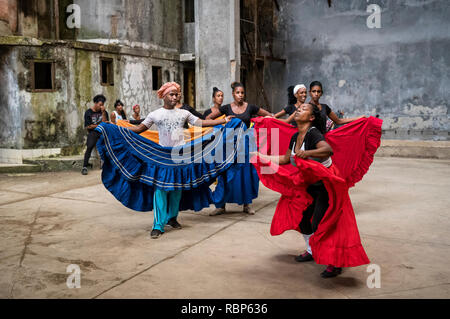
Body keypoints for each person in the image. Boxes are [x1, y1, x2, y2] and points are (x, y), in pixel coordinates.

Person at [255, 103, 367, 278]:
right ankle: (311, 250)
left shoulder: (313, 133)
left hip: (326, 185)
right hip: (308, 184)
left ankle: (334, 262)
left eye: (304, 109)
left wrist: (306, 154)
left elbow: (327, 150)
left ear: (312, 117)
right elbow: (285, 159)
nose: (299, 109)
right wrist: (262, 157)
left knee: (322, 223)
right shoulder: (294, 136)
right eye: (299, 108)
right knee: (302, 219)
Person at [127, 82, 233, 239]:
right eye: (172, 94)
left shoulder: (184, 113)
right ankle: (158, 225)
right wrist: (116, 128)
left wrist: (222, 121)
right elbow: (138, 129)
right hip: (163, 156)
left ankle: (172, 218)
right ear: (164, 96)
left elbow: (201, 122)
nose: (175, 97)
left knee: (177, 189)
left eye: (177, 94)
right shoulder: (155, 114)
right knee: (160, 190)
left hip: (181, 155)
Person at [206, 82, 273, 216]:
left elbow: (269, 115)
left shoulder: (250, 107)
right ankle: (221, 206)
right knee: (226, 174)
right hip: (228, 148)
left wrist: (269, 122)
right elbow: (208, 118)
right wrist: (222, 123)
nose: (240, 95)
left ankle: (247, 205)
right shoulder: (226, 108)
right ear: (233, 94)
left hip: (245, 146)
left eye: (242, 93)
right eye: (238, 93)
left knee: (245, 175)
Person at [82, 94, 109, 175]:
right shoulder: (88, 112)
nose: (101, 107)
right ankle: (84, 167)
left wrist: (103, 112)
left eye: (102, 105)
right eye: (100, 105)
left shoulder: (104, 112)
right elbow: (88, 126)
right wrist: (100, 125)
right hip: (93, 132)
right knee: (89, 146)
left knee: (107, 145)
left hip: (102, 132)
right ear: (95, 103)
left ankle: (105, 164)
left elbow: (106, 123)